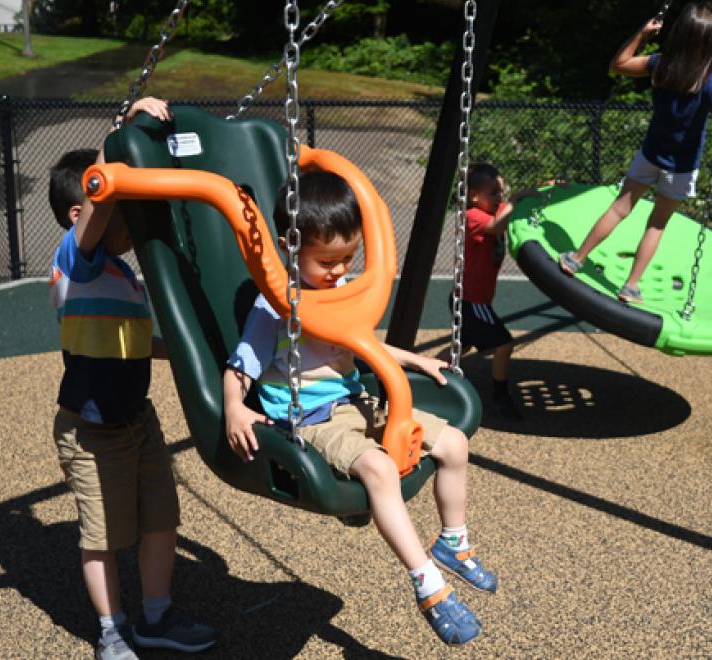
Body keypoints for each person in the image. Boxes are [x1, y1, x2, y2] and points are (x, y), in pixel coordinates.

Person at [222, 171, 497, 646]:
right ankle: (427, 582)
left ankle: (453, 543)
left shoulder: (344, 286)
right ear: (291, 247)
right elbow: (240, 366)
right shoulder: (275, 307)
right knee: (379, 468)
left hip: (355, 399)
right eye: (326, 260)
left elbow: (365, 344)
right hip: (310, 417)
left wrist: (413, 360)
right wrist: (233, 409)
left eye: (348, 256)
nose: (339, 269)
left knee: (453, 443)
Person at [48, 97, 218, 660]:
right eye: (125, 211)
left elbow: (137, 344)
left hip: (137, 421)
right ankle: (112, 630)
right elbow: (102, 192)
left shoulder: (121, 275)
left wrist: (199, 358)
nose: (132, 223)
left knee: (160, 521)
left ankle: (155, 616)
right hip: (91, 430)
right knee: (100, 539)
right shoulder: (77, 259)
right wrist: (118, 135)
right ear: (84, 214)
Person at [560, 3, 712, 304]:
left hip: (650, 156)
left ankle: (576, 258)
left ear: (678, 34)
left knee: (619, 208)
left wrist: (641, 35)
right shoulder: (707, 82)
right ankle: (631, 286)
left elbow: (618, 64)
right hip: (681, 168)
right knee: (657, 223)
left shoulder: (660, 64)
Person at [457, 162, 545, 420]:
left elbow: (508, 221)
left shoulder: (490, 213)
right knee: (504, 345)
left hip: (475, 298)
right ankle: (500, 396)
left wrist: (538, 195)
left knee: (460, 345)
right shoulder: (472, 216)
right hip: (471, 300)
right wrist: (516, 200)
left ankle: (429, 375)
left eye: (502, 193)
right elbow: (497, 225)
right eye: (494, 193)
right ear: (474, 196)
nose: (499, 199)